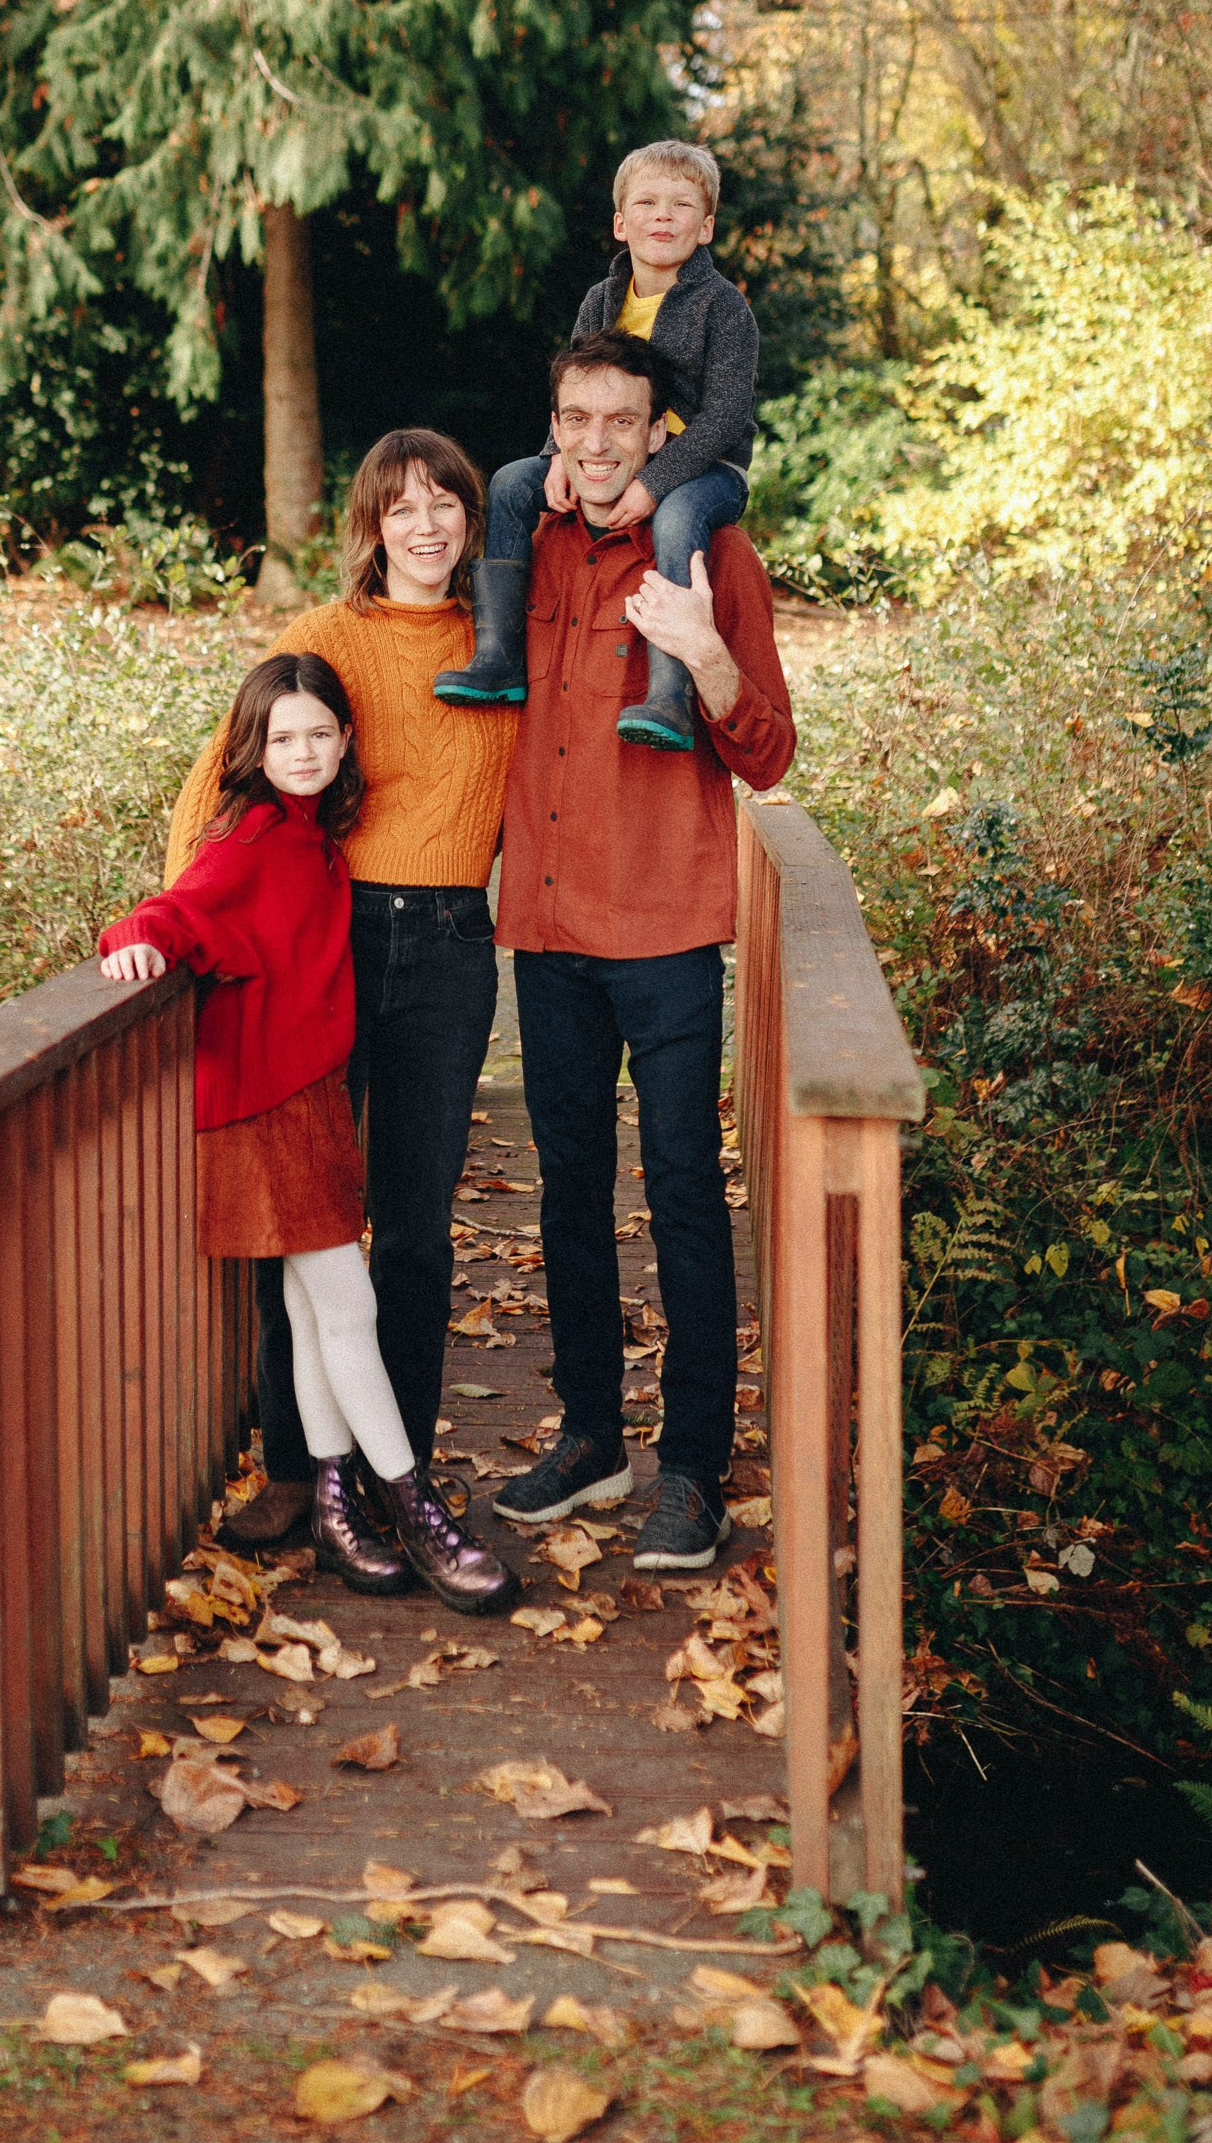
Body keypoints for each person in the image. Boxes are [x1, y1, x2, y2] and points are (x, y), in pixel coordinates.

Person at [98, 653, 517, 1616]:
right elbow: (177, 908)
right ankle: (415, 1508)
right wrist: (138, 940)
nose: (303, 752)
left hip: (306, 1095)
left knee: (304, 1306)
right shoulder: (252, 834)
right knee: (345, 1307)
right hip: (265, 1108)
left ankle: (332, 1503)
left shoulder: (311, 834)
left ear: (344, 741)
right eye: (282, 738)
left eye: (320, 734)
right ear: (250, 747)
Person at [161, 433, 518, 1555]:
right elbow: (216, 785)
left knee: (412, 1226)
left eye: (445, 504)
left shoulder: (498, 643)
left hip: (453, 947)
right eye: (399, 507)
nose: (425, 525)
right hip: (332, 941)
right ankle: (290, 1467)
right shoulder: (321, 640)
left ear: (470, 520)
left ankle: (392, 1465)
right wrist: (186, 928)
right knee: (298, 1212)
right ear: (368, 526)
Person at [486, 331, 796, 1573]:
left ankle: (689, 1471)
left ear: (660, 432)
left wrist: (704, 648)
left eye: (623, 421)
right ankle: (589, 1439)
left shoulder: (712, 555)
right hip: (549, 929)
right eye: (577, 420)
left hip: (666, 930)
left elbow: (768, 754)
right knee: (567, 1193)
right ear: (552, 427)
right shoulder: (524, 550)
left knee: (679, 1198)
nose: (599, 443)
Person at [436, 139, 760, 750]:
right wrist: (557, 457)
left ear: (707, 225)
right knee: (508, 483)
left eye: (681, 205)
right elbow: (573, 389)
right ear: (621, 222)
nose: (663, 216)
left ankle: (669, 697)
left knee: (678, 519)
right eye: (646, 202)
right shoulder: (603, 300)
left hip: (708, 469)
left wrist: (656, 484)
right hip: (607, 450)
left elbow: (726, 415)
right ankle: (500, 657)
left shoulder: (724, 308)